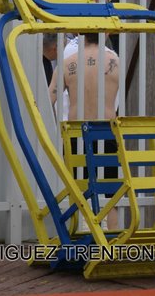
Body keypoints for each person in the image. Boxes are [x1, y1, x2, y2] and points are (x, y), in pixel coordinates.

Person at [49, 32, 120, 229]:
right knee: (111, 193)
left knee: (75, 189)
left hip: (76, 133)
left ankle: (75, 233)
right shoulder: (115, 61)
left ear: (81, 34)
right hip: (106, 130)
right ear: (104, 34)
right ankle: (113, 237)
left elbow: (49, 98)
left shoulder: (68, 62)